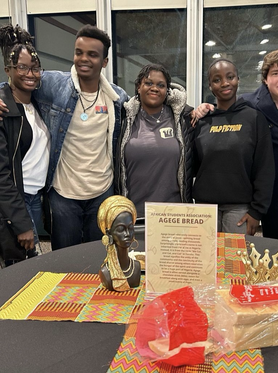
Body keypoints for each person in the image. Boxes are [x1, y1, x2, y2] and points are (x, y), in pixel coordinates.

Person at [1, 24, 128, 250]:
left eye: (92, 54)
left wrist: (197, 109)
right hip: (63, 195)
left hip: (102, 191)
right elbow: (19, 79)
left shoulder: (117, 98)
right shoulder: (53, 85)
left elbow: (151, 101)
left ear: (105, 62)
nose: (83, 59)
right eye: (79, 52)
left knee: (96, 257)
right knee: (62, 261)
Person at [193, 58, 274, 235]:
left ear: (238, 80)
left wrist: (257, 211)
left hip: (240, 209)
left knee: (233, 262)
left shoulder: (254, 118)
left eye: (230, 77)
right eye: (217, 79)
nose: (224, 83)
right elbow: (193, 166)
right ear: (210, 85)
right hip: (204, 209)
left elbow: (265, 167)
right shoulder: (203, 121)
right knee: (205, 262)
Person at [114, 63, 194, 218]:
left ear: (167, 90)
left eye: (161, 85)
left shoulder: (182, 118)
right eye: (148, 83)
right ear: (138, 87)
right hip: (133, 213)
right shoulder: (124, 118)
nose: (155, 88)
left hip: (173, 214)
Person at [0, 25, 50, 265]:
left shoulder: (37, 104)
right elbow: (1, 175)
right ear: (7, 69)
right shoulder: (4, 112)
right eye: (22, 67)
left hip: (35, 199)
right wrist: (21, 223)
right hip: (16, 205)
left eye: (34, 68)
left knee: (34, 265)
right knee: (21, 272)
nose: (30, 74)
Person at [242, 49, 278, 242]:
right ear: (266, 79)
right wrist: (204, 109)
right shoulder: (249, 104)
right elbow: (223, 111)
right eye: (275, 73)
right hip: (273, 192)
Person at [97, 195, 140, 291]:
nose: (127, 234)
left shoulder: (136, 267)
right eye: (121, 229)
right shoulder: (105, 272)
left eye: (130, 228)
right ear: (109, 233)